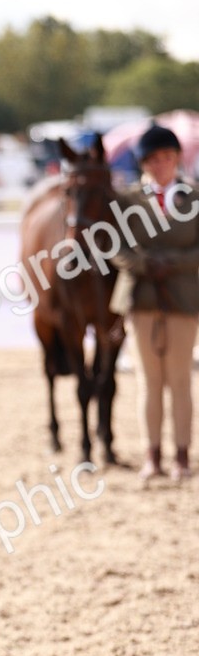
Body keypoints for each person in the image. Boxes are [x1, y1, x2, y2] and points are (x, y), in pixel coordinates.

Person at [110, 123, 199, 483]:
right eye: (153, 159)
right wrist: (145, 264)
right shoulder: (127, 199)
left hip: (183, 298)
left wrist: (172, 264)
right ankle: (152, 456)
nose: (160, 164)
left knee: (179, 379)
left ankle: (181, 455)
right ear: (144, 163)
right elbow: (114, 245)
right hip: (141, 297)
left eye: (166, 157)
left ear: (177, 158)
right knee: (148, 380)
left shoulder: (194, 198)